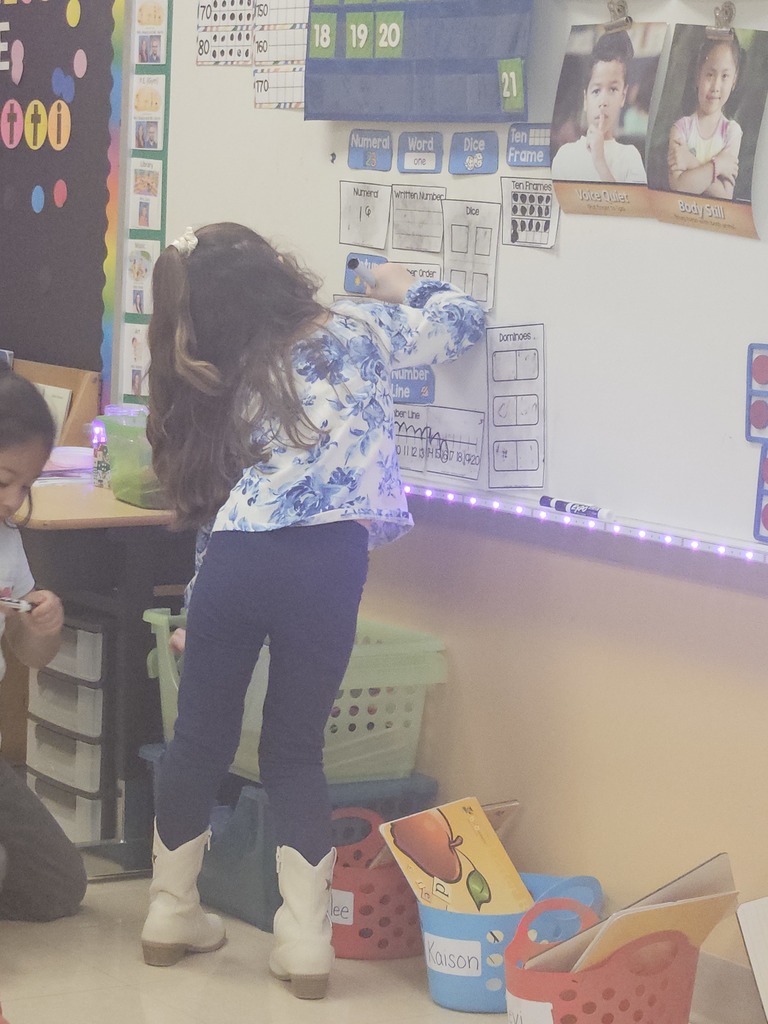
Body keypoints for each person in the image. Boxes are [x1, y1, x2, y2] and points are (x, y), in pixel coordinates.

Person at [140, 223, 486, 996]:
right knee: (294, 751)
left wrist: (199, 603)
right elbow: (462, 320)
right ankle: (305, 943)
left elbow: (223, 502)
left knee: (197, 740)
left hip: (235, 560)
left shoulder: (223, 366)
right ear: (278, 274)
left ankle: (170, 910)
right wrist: (404, 284)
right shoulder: (359, 327)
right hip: (328, 564)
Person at [0, 367, 87, 922]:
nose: (13, 499)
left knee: (59, 886)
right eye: (5, 478)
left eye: (26, 485)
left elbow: (29, 657)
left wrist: (41, 630)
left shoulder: (8, 543)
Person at [552, 30, 647, 184]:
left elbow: (629, 208)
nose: (603, 101)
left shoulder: (630, 157)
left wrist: (599, 161)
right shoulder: (566, 155)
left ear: (623, 96)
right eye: (596, 91)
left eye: (613, 90)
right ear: (585, 99)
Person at [668, 35, 742, 199]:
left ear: (734, 81)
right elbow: (678, 186)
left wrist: (689, 162)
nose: (716, 86)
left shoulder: (732, 132)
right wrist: (719, 165)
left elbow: (725, 194)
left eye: (724, 76)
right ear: (697, 76)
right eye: (709, 74)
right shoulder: (680, 129)